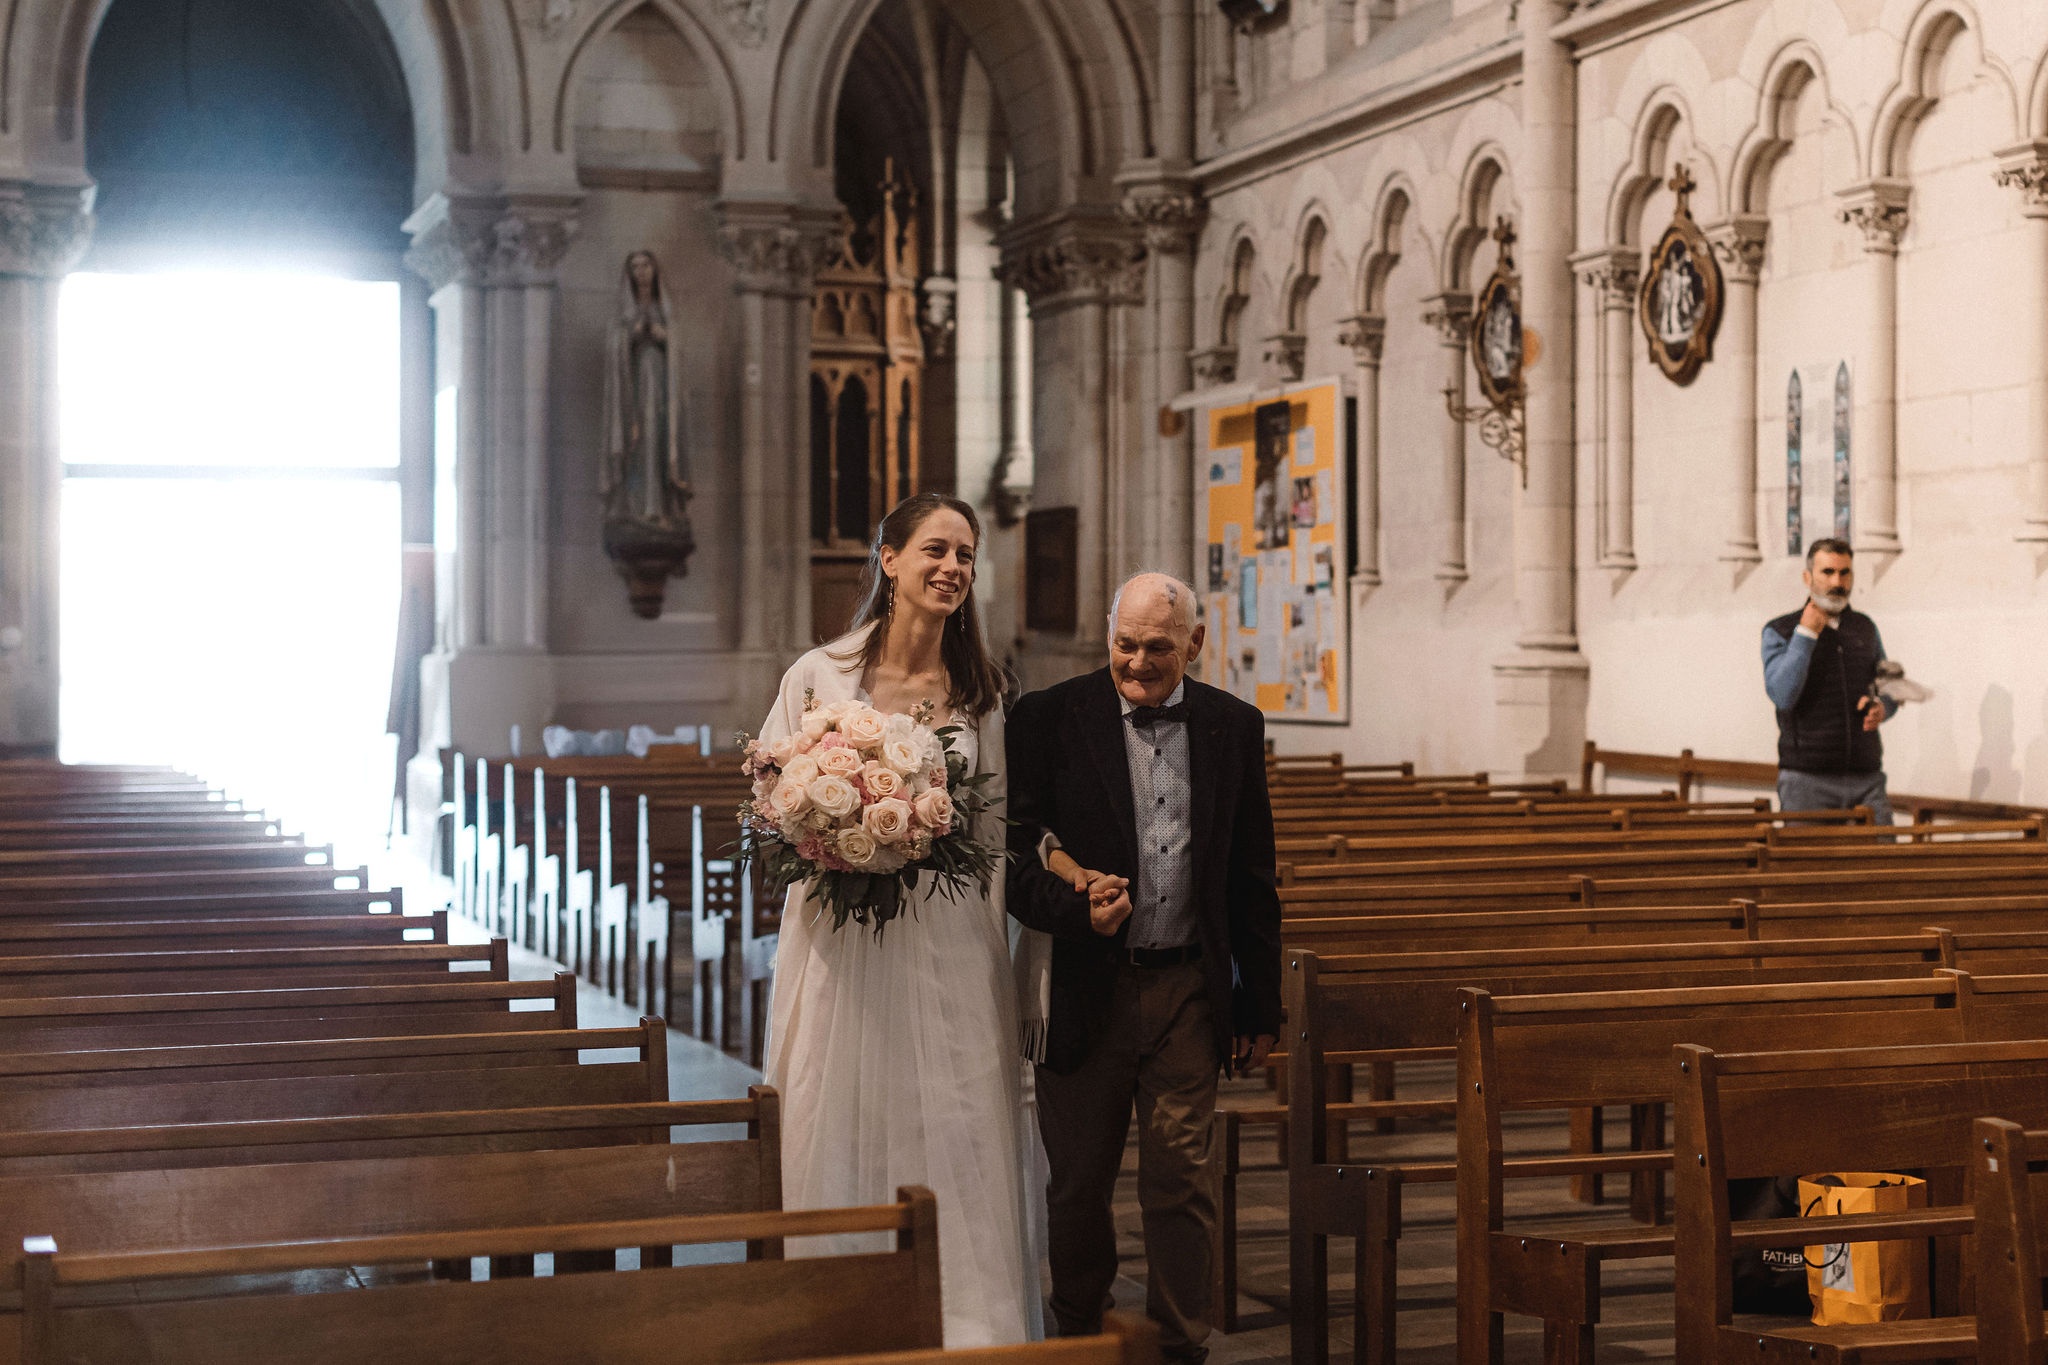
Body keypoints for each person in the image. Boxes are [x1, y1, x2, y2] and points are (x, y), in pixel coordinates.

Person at [758, 492, 1041, 1347]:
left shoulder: (983, 690)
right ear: (888, 560)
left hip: (951, 936)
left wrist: (1011, 964)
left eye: (966, 554)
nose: (953, 567)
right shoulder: (820, 673)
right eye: (936, 550)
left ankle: (968, 1317)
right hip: (840, 929)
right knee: (833, 1099)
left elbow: (993, 837)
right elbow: (773, 804)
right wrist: (836, 830)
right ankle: (836, 1304)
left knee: (949, 1110)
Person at [1005, 572, 1284, 1364]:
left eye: (1157, 647)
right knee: (1078, 1184)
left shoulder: (1234, 725)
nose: (1137, 661)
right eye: (1125, 643)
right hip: (1086, 985)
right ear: (1107, 634)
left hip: (1187, 989)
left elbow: (1250, 873)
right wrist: (1075, 908)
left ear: (1195, 644)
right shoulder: (1049, 718)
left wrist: (1260, 1005)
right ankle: (1082, 1335)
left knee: (1182, 1179)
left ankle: (1178, 1341)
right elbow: (1013, 859)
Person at [1762, 538, 1897, 824]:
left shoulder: (1864, 628)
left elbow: (1890, 687)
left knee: (1884, 862)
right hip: (1807, 782)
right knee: (1808, 867)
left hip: (1866, 778)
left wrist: (1882, 706)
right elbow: (1783, 695)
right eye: (1827, 572)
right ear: (1807, 577)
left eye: (1845, 572)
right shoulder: (1781, 631)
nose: (1838, 581)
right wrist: (1806, 634)